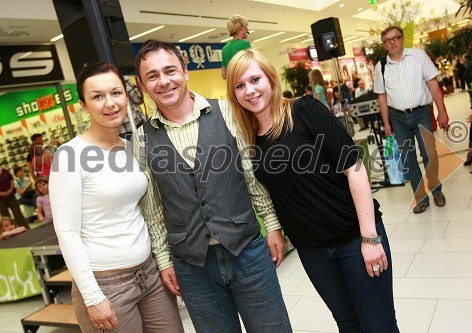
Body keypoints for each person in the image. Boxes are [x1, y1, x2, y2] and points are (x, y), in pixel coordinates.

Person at [226, 49, 399, 333]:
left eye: (255, 79)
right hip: (313, 251)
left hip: (354, 239)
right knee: (348, 324)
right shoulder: (249, 137)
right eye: (240, 85)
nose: (250, 90)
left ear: (270, 79)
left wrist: (370, 237)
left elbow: (353, 167)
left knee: (379, 325)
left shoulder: (303, 110)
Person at [131, 39, 291, 333]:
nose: (164, 81)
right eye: (152, 76)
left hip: (247, 251)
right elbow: (152, 209)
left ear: (185, 71)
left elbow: (250, 176)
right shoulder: (141, 140)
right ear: (141, 85)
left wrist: (272, 224)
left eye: (170, 71)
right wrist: (165, 261)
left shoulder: (227, 111)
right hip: (192, 266)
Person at [49, 62, 184, 333]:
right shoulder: (69, 155)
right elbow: (67, 232)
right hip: (105, 283)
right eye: (97, 96)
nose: (110, 103)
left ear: (126, 95)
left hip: (149, 274)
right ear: (84, 105)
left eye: (116, 93)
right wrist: (93, 296)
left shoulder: (133, 147)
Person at [374, 25, 449, 214]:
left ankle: (436, 190)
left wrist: (442, 111)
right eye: (388, 40)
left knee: (429, 154)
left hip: (422, 113)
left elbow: (433, 84)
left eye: (396, 37)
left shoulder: (419, 56)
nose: (393, 42)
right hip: (397, 118)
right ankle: (420, 198)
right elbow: (381, 96)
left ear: (402, 38)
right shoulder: (381, 66)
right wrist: (386, 122)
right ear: (384, 45)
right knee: (408, 160)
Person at [221, 14, 251, 80]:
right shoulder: (245, 44)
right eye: (246, 27)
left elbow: (224, 75)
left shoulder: (225, 48)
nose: (247, 30)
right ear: (240, 28)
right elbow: (250, 66)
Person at [120, 75, 147, 139]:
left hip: (120, 129)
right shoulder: (123, 79)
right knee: (142, 147)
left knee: (128, 148)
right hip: (135, 122)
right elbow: (138, 99)